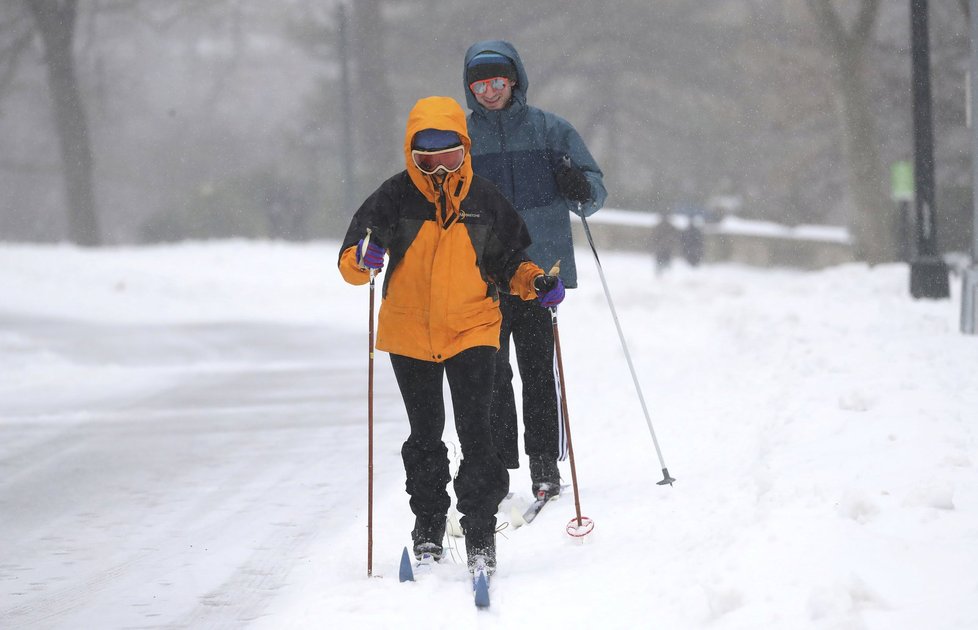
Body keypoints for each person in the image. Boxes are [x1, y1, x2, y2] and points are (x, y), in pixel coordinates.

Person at [337, 96, 565, 576]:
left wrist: (535, 282)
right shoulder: (393, 198)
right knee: (425, 434)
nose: (438, 165)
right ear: (411, 153)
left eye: (449, 153)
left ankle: (481, 533)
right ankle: (428, 527)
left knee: (477, 433)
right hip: (409, 332)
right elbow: (354, 259)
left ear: (465, 148)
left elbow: (509, 265)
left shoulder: (484, 200)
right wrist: (363, 259)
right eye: (427, 155)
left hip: (473, 328)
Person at [462, 40, 607, 501]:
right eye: (479, 84)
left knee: (538, 369)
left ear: (515, 80)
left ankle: (545, 463)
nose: (489, 92)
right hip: (481, 274)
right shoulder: (463, 139)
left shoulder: (550, 130)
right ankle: (499, 465)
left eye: (497, 82)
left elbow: (593, 192)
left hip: (539, 272)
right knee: (492, 372)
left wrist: (578, 185)